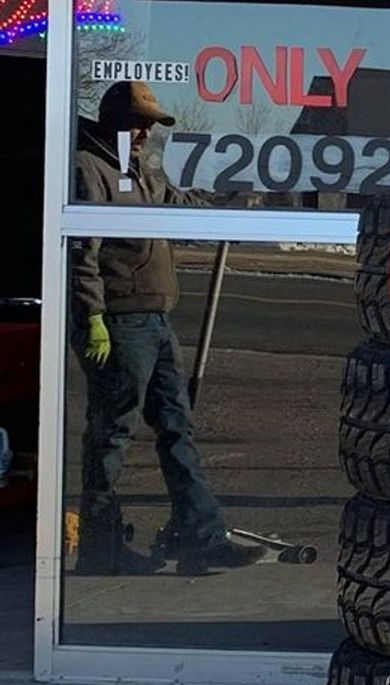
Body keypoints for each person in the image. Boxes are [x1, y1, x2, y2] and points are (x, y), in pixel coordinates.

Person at [70, 81, 263, 576]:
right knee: (112, 433)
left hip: (154, 320)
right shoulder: (88, 169)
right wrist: (91, 315)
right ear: (115, 119)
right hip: (120, 321)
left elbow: (179, 203)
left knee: (177, 428)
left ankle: (200, 537)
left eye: (150, 125)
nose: (146, 132)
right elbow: (80, 250)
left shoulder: (138, 172)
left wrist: (232, 205)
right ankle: (100, 546)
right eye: (139, 122)